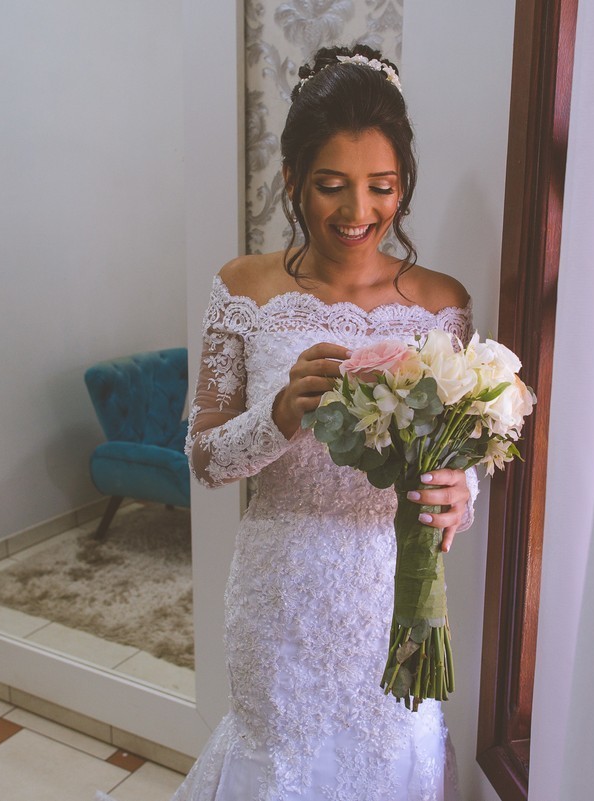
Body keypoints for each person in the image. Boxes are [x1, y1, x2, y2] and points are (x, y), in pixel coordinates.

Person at [173, 45, 477, 801]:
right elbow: (203, 460)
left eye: (382, 187)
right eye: (332, 186)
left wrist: (460, 493)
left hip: (395, 592)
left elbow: (464, 459)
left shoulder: (442, 304)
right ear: (291, 181)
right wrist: (278, 417)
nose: (359, 212)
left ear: (403, 184)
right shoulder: (242, 287)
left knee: (390, 759)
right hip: (280, 595)